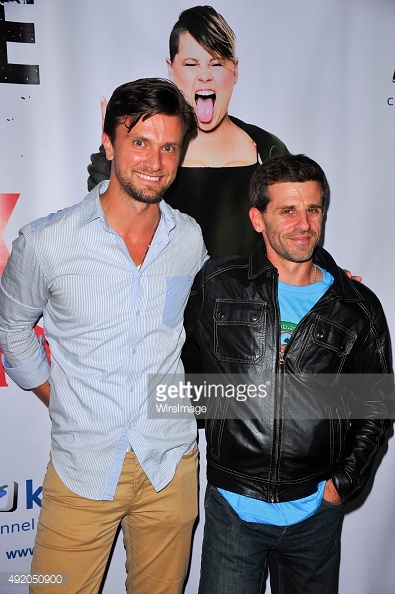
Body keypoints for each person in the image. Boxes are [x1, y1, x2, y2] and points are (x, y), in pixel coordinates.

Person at [0, 78, 207, 594]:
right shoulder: (45, 242)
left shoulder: (189, 238)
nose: (156, 163)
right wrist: (57, 394)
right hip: (83, 465)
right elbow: (12, 329)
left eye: (169, 147)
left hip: (171, 465)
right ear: (109, 143)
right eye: (139, 142)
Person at [183, 154, 393, 593]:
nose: (304, 223)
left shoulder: (356, 306)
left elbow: (376, 408)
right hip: (233, 511)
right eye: (288, 210)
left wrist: (339, 486)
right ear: (257, 219)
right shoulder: (218, 284)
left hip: (314, 515)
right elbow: (187, 368)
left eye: (313, 210)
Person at [87, 5, 289, 258]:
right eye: (191, 63)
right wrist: (115, 151)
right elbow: (105, 235)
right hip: (165, 296)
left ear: (235, 70)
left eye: (216, 63)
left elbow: (295, 229)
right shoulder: (143, 155)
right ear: (171, 69)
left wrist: (324, 274)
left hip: (250, 297)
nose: (204, 75)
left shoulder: (267, 149)